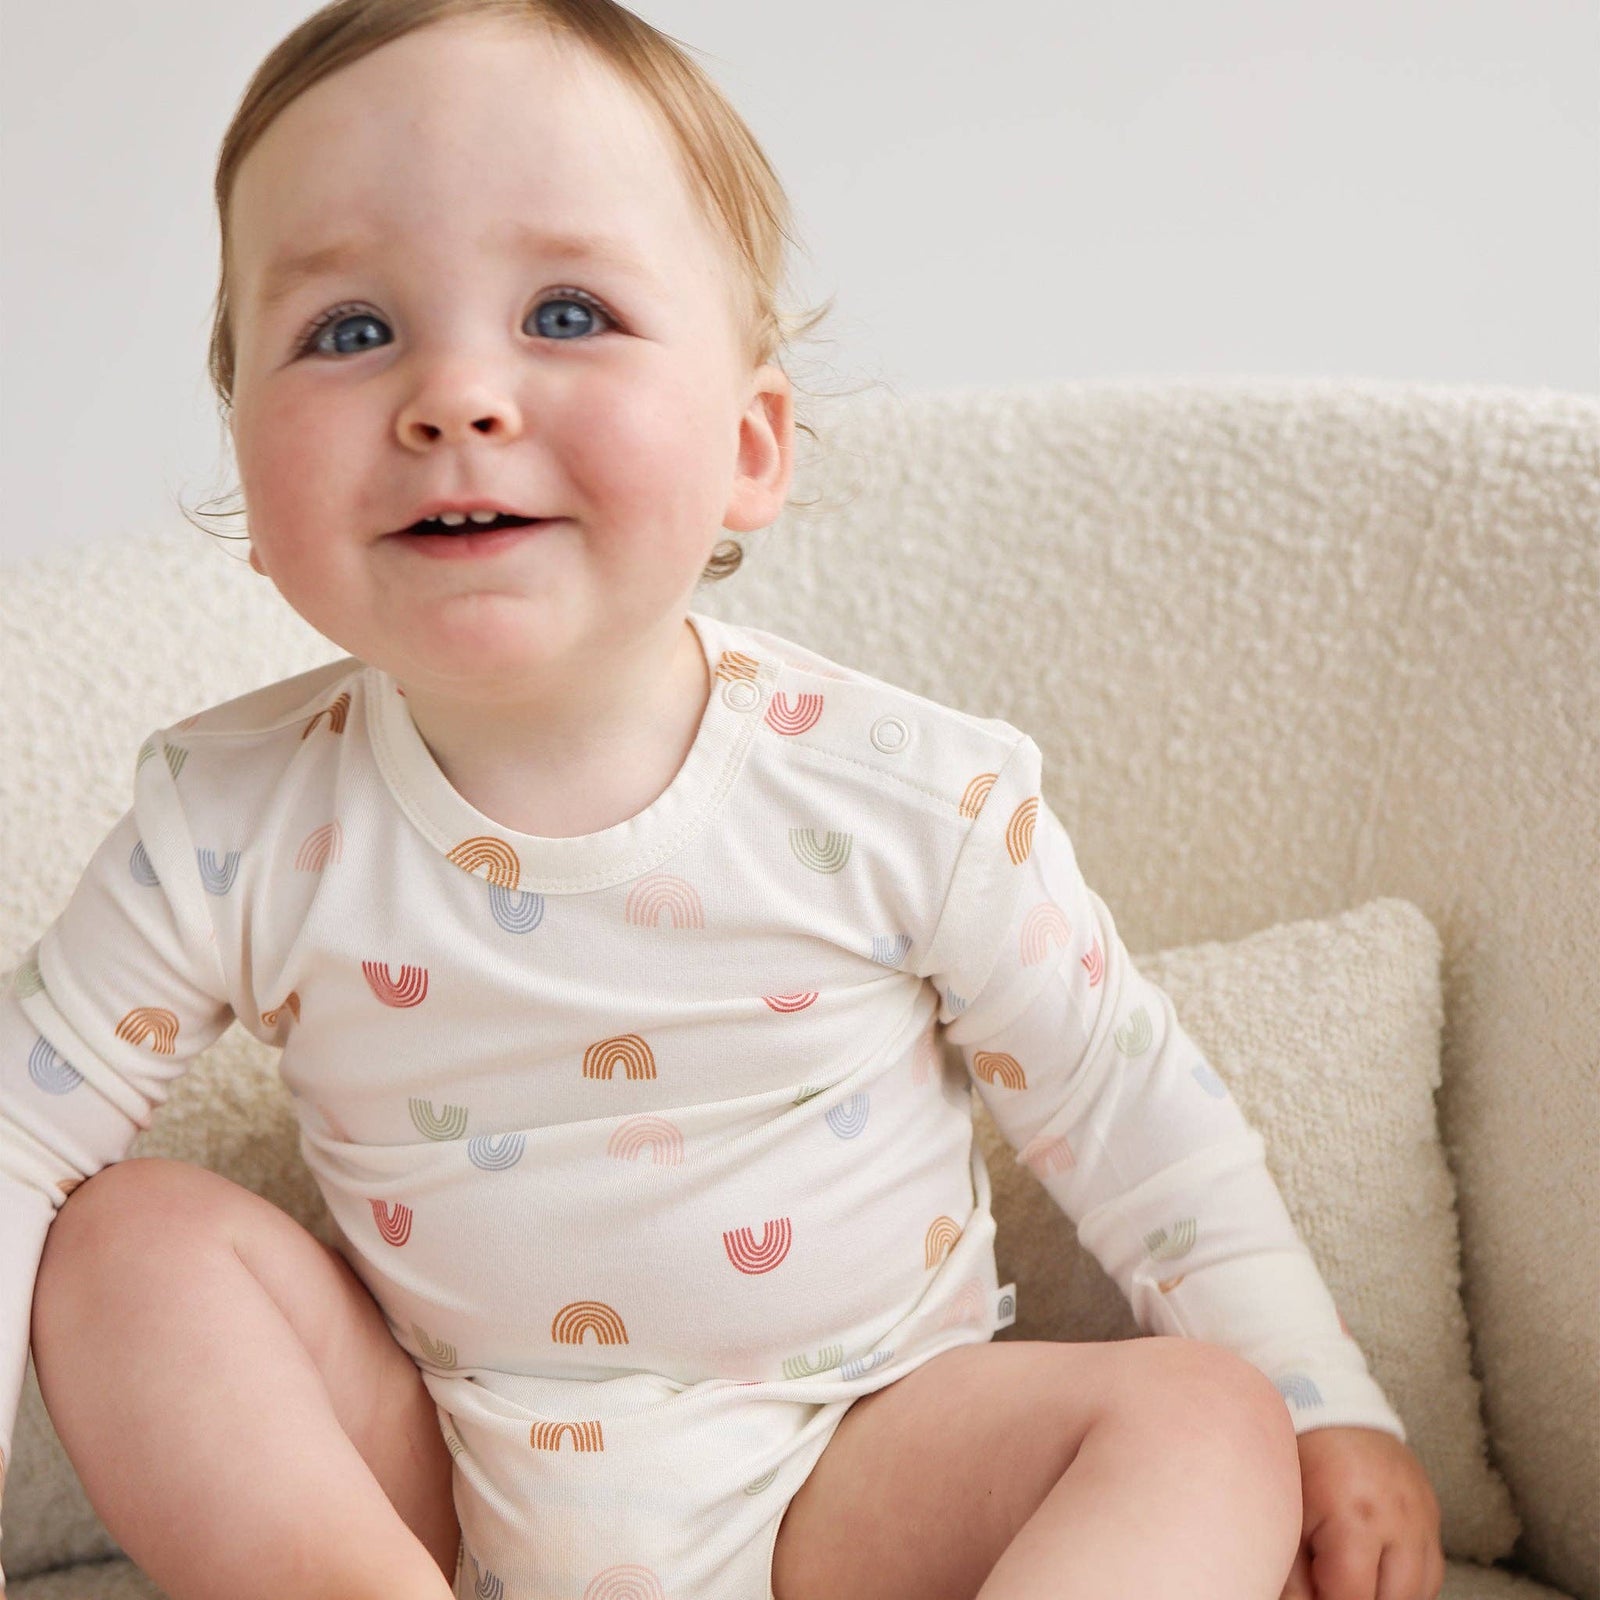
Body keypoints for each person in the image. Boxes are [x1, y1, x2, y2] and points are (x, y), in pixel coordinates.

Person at [0, 3, 1447, 1598]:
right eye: (350, 332)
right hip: (439, 1480)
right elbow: (18, 1133)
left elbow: (1133, 1118)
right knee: (122, 1245)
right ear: (254, 509)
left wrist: (1328, 1408)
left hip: (865, 1472)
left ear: (752, 445)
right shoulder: (230, 820)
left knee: (1206, 1423)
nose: (456, 397)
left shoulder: (905, 795)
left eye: (566, 311)